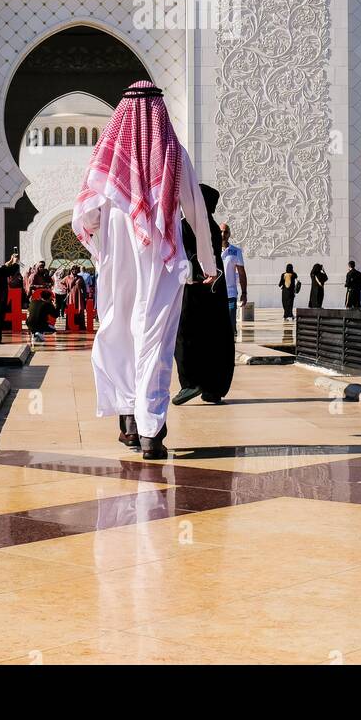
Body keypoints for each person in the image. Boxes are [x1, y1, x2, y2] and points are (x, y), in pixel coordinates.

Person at [71, 80, 215, 460]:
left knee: (118, 330)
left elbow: (85, 214)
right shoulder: (173, 154)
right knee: (153, 339)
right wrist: (208, 260)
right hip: (163, 261)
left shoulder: (107, 156)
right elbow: (196, 212)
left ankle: (129, 423)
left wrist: (102, 230)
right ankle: (150, 430)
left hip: (118, 260)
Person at [173, 184, 235, 407]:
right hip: (215, 290)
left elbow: (185, 255)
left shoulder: (186, 226)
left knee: (186, 334)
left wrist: (196, 273)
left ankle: (190, 382)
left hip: (194, 288)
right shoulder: (211, 225)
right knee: (215, 336)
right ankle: (213, 388)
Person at [220, 223, 247, 332]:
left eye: (225, 232)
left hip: (230, 293)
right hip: (215, 293)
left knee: (231, 327)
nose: (223, 234)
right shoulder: (211, 250)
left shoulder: (236, 251)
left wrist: (244, 293)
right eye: (221, 232)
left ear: (229, 234)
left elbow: (241, 273)